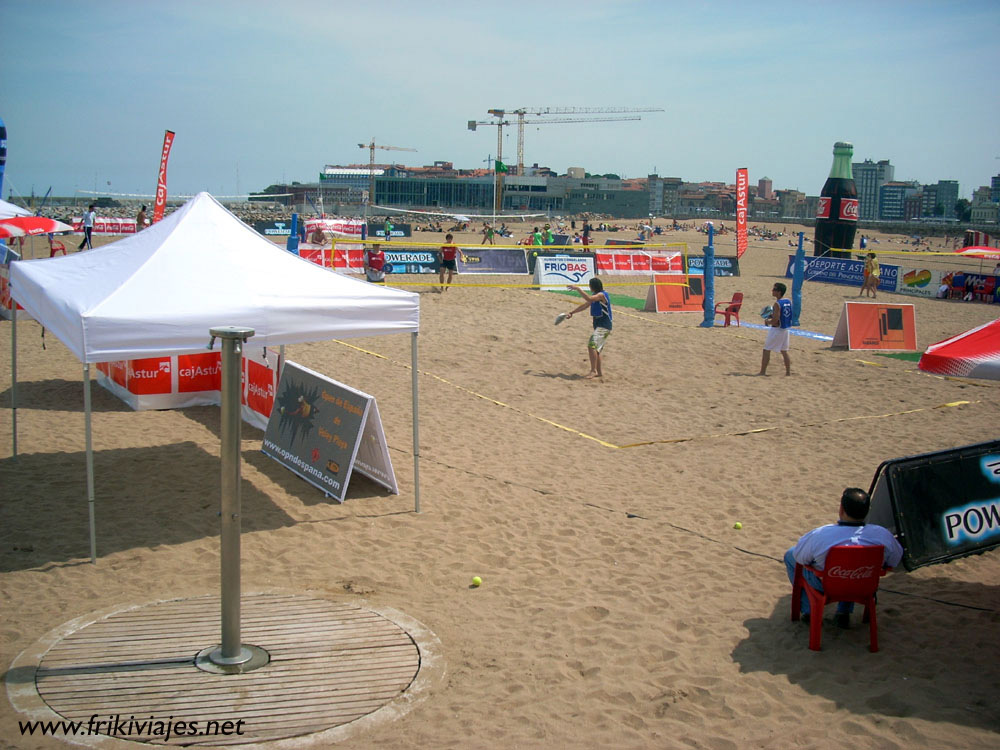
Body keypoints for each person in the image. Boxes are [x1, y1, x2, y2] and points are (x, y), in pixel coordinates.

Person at [785, 487, 903, 628]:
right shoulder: (882, 535)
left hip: (827, 584)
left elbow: (801, 558)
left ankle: (809, 611)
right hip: (863, 584)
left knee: (790, 555)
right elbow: (895, 559)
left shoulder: (822, 534)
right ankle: (843, 613)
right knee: (854, 567)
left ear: (841, 510)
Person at [565, 277, 612, 380]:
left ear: (593, 286)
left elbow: (589, 299)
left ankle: (593, 371)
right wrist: (572, 313)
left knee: (591, 346)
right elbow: (584, 305)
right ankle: (599, 372)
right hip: (598, 324)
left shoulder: (602, 295)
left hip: (604, 325)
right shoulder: (595, 297)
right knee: (597, 349)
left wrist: (578, 288)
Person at [759, 282, 791, 376]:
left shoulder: (777, 304)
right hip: (786, 329)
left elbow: (775, 321)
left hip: (777, 330)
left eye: (774, 289)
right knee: (784, 351)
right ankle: (788, 373)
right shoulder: (788, 301)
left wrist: (767, 321)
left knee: (766, 349)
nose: (772, 291)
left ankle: (762, 372)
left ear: (779, 292)